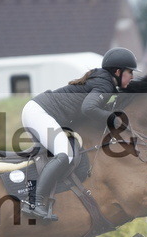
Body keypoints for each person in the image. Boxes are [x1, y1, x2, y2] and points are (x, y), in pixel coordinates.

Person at [19, 47, 138, 221]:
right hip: (40, 113)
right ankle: (35, 203)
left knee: (55, 156)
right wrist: (112, 118)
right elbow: (89, 108)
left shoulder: (103, 81)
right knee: (64, 154)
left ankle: (39, 196)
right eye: (130, 72)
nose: (132, 77)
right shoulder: (105, 84)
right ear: (118, 72)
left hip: (36, 110)